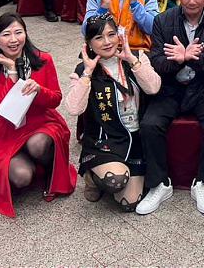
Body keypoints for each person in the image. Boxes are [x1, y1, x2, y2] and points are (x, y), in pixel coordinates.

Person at [137, 0, 204, 216]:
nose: (191, 1)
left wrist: (193, 58)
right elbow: (157, 62)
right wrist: (179, 60)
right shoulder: (163, 21)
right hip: (171, 87)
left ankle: (203, 183)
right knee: (149, 124)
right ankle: (159, 184)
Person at [0, 13, 77, 217]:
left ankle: (50, 170)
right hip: (10, 129)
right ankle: (31, 164)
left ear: (26, 33)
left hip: (43, 122)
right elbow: (4, 108)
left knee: (37, 145)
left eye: (18, 32)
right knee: (21, 177)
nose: (13, 39)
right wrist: (12, 72)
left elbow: (56, 99)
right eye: (6, 34)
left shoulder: (43, 60)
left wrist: (39, 90)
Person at [64, 15, 161, 212]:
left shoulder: (137, 56)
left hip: (135, 138)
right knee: (115, 180)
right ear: (89, 43)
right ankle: (93, 176)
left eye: (111, 34)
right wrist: (87, 73)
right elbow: (74, 109)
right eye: (99, 38)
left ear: (119, 36)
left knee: (129, 203)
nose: (107, 42)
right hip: (105, 140)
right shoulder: (83, 69)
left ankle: (114, 173)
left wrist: (132, 60)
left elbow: (153, 88)